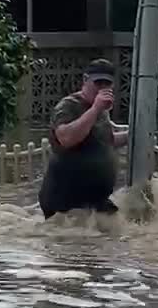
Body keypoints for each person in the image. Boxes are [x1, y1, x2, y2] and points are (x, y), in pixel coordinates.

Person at [39, 58, 129, 220]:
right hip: (65, 201)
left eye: (106, 84)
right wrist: (95, 109)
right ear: (85, 80)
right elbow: (66, 138)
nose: (102, 88)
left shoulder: (101, 110)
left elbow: (105, 141)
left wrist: (133, 136)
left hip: (94, 200)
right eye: (98, 83)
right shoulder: (68, 106)